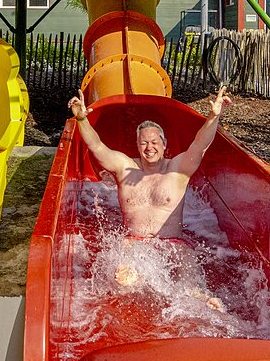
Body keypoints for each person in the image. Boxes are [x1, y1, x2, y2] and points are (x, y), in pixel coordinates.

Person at [68, 87, 228, 305]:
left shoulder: (178, 169)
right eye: (144, 142)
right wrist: (81, 118)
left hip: (174, 244)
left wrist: (214, 116)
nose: (149, 147)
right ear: (137, 145)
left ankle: (204, 301)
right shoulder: (125, 167)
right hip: (133, 244)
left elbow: (200, 145)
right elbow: (96, 146)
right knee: (126, 283)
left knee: (191, 289)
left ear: (164, 145)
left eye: (154, 142)